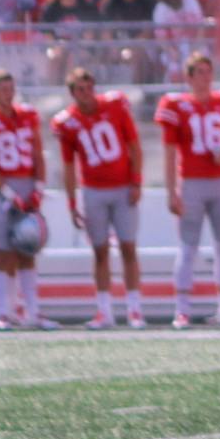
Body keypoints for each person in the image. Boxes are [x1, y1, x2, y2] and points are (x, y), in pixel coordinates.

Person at [156, 52, 220, 329]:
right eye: (199, 72)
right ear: (188, 77)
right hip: (192, 183)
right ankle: (182, 310)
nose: (205, 77)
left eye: (208, 71)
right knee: (188, 247)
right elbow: (169, 152)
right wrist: (171, 190)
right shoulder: (177, 105)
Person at [54, 67, 144, 330]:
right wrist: (72, 202)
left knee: (128, 248)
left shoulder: (115, 106)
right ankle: (105, 311)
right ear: (72, 93)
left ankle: (134, 310)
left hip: (122, 187)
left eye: (88, 87)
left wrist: (136, 181)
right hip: (93, 191)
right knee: (100, 252)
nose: (86, 93)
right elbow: (68, 166)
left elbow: (134, 146)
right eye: (80, 89)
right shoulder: (67, 122)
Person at [0, 69, 51, 330]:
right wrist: (8, 193)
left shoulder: (27, 114)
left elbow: (38, 154)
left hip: (27, 184)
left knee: (29, 249)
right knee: (3, 251)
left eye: (11, 88)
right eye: (3, 90)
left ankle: (33, 312)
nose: (8, 94)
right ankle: (3, 313)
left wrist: (39, 188)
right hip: (1, 188)